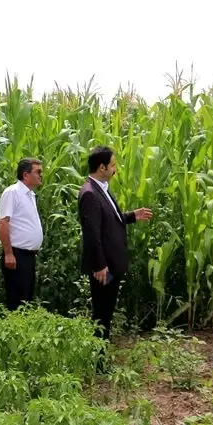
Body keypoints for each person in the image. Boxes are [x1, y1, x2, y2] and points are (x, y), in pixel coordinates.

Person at [77, 145, 153, 341]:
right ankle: (99, 363)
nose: (115, 169)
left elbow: (108, 220)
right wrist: (100, 265)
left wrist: (130, 216)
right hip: (104, 267)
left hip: (110, 264)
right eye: (112, 165)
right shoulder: (90, 193)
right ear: (101, 167)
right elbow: (92, 234)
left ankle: (101, 359)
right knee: (101, 315)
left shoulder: (100, 189)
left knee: (107, 314)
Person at [0, 157, 44, 310]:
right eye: (38, 172)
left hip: (28, 256)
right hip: (16, 255)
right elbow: (3, 223)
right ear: (25, 175)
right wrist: (8, 253)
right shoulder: (13, 193)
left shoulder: (30, 195)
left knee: (27, 300)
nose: (40, 175)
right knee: (18, 301)